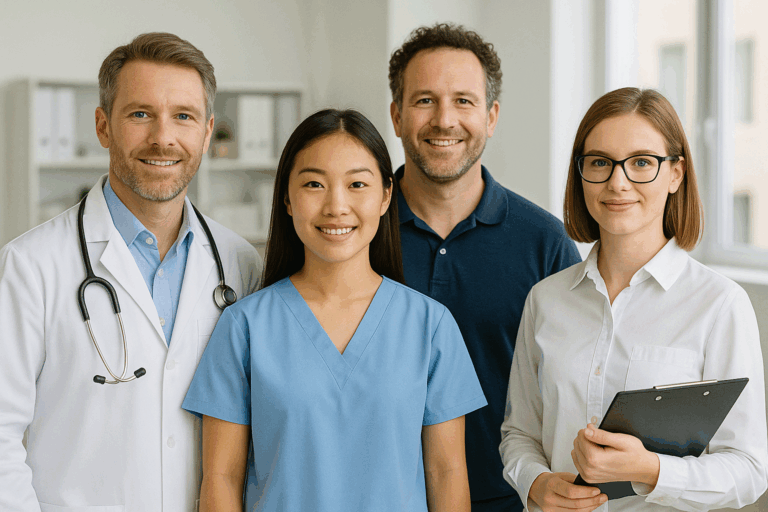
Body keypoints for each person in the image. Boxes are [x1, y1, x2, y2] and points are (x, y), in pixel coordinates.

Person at [0, 33, 262, 511]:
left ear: (206, 133)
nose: (163, 137)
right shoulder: (30, 266)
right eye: (140, 114)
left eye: (183, 116)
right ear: (103, 127)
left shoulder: (240, 264)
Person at [181, 108, 487, 512]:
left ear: (385, 196)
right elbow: (221, 479)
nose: (336, 206)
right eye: (313, 184)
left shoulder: (429, 326)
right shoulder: (244, 326)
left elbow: (447, 475)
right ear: (287, 199)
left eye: (357, 183)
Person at [500, 87, 768, 512]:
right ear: (581, 172)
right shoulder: (545, 300)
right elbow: (519, 435)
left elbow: (749, 469)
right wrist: (536, 482)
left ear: (676, 173)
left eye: (641, 162)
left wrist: (653, 471)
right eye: (600, 163)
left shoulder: (720, 305)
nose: (617, 183)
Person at [388, 23, 582, 512]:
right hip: (374, 493)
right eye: (424, 101)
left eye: (464, 101)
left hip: (507, 499)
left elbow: (576, 387)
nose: (444, 120)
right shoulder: (353, 232)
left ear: (492, 116)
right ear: (395, 114)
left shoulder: (544, 243)